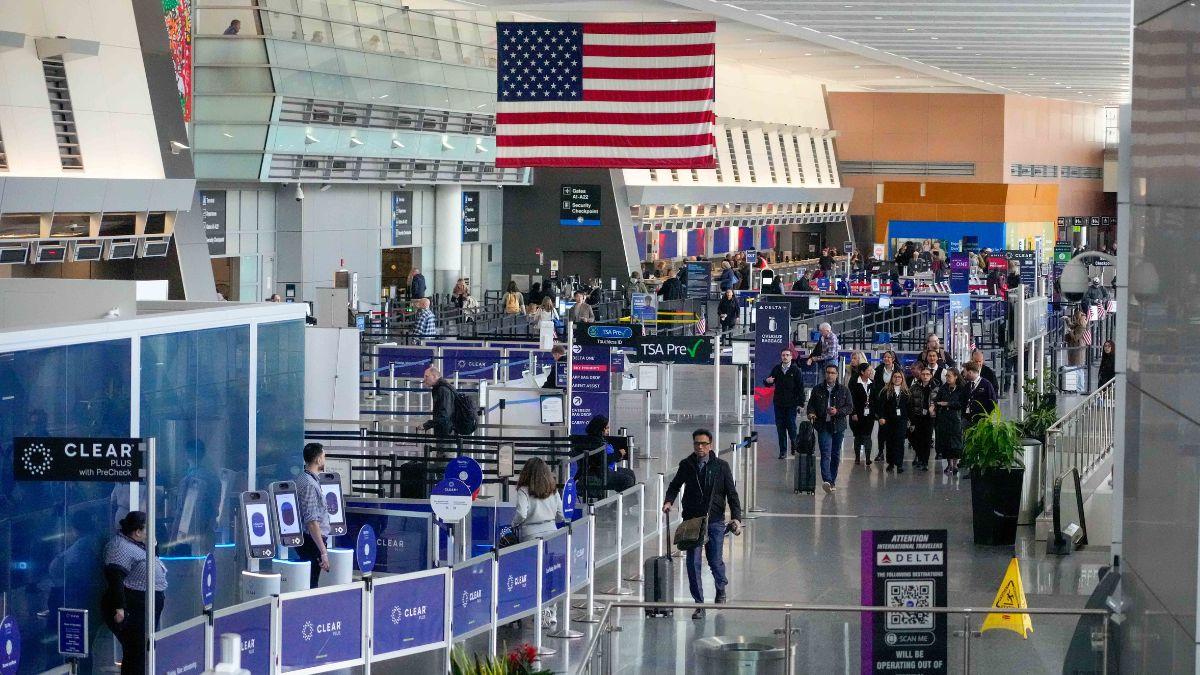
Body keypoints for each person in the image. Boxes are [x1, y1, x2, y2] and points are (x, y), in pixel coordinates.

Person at [663, 428, 743, 620]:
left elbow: (732, 494)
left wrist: (736, 517)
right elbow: (675, 485)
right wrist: (668, 501)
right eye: (697, 443)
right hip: (692, 520)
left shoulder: (721, 467)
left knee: (715, 560)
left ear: (710, 445)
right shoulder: (687, 465)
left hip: (714, 520)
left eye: (704, 444)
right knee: (693, 563)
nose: (700, 447)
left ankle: (720, 587)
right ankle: (699, 604)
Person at [104, 511, 167, 675]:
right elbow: (115, 577)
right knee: (135, 651)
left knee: (142, 650)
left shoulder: (139, 544)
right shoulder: (120, 547)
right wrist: (120, 608)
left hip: (147, 603)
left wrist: (152, 544)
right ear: (137, 531)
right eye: (148, 528)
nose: (151, 531)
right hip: (133, 606)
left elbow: (153, 559)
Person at [511, 457, 565, 627]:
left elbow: (521, 513)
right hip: (552, 535)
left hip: (530, 536)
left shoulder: (524, 491)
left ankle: (538, 610)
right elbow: (561, 514)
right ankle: (551, 612)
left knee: (534, 574)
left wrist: (514, 525)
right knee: (551, 573)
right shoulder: (553, 490)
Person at [807, 364, 852, 492]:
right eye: (828, 372)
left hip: (838, 426)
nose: (830, 375)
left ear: (837, 375)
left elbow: (849, 407)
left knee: (835, 454)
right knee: (825, 452)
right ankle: (827, 480)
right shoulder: (817, 389)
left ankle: (832, 480)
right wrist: (811, 413)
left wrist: (837, 411)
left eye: (832, 373)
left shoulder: (844, 390)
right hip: (823, 425)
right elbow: (811, 405)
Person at [294, 444, 332, 588]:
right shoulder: (310, 484)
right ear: (317, 459)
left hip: (309, 540)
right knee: (311, 584)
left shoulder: (304, 478)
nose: (324, 459)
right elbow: (311, 521)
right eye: (323, 456)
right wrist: (323, 552)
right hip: (312, 541)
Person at [765, 349, 806, 459]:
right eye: (783, 355)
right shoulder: (777, 369)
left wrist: (801, 403)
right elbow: (769, 382)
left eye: (787, 355)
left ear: (791, 357)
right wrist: (767, 381)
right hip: (778, 403)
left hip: (791, 403)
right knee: (780, 428)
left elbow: (800, 387)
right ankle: (782, 451)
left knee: (791, 426)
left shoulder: (796, 370)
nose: (785, 357)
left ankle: (794, 445)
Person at [584, 415, 636, 493]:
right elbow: (601, 460)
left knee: (630, 473)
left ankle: (624, 501)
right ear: (601, 428)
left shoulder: (595, 439)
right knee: (628, 480)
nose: (608, 430)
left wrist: (617, 456)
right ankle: (622, 503)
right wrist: (618, 454)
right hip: (599, 473)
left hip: (604, 470)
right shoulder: (595, 442)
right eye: (607, 428)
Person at [934, 368, 968, 475]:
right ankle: (949, 464)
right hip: (944, 419)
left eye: (949, 376)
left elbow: (962, 403)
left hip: (956, 419)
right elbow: (937, 400)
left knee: (956, 442)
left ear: (956, 376)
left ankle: (955, 464)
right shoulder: (943, 388)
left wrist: (948, 404)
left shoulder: (961, 389)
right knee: (946, 442)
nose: (947, 378)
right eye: (946, 376)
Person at [876, 370, 910, 473]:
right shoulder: (885, 391)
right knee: (890, 442)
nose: (897, 378)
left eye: (899, 377)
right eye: (895, 377)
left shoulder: (906, 392)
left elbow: (909, 407)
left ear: (902, 379)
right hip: (889, 421)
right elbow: (880, 406)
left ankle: (899, 464)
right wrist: (881, 417)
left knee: (900, 442)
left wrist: (909, 420)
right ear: (892, 378)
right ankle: (890, 463)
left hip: (902, 421)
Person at [908, 366, 938, 471]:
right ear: (920, 375)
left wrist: (934, 407)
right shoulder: (914, 387)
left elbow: (938, 401)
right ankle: (919, 458)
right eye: (923, 374)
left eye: (927, 374)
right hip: (917, 416)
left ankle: (924, 462)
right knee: (916, 439)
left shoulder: (936, 387)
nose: (925, 376)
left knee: (927, 440)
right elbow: (910, 402)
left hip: (929, 418)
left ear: (931, 375)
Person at [871, 350, 898, 464]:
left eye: (889, 357)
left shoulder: (898, 370)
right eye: (885, 357)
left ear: (893, 359)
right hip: (881, 403)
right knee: (882, 429)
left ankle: (893, 453)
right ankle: (880, 451)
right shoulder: (878, 371)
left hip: (893, 403)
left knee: (893, 429)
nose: (886, 359)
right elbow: (875, 386)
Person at [849, 362, 876, 466]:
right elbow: (851, 400)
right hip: (857, 414)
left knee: (867, 436)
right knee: (858, 436)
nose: (870, 372)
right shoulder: (854, 383)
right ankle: (857, 458)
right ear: (862, 372)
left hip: (869, 415)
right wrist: (853, 413)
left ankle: (868, 458)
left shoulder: (872, 383)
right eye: (868, 370)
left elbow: (874, 399)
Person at [421, 366, 455, 438]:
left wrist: (427, 425)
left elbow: (444, 415)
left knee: (442, 448)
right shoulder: (442, 387)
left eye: (426, 376)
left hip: (446, 431)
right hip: (447, 429)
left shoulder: (442, 389)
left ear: (434, 376)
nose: (424, 379)